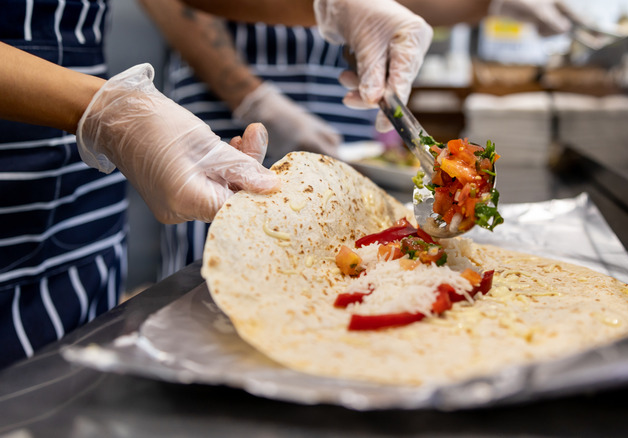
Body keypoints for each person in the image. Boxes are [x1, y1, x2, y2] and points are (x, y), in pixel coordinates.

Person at [0, 0, 434, 368]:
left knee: (70, 389)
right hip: (65, 132)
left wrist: (329, 5)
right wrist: (103, 111)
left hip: (82, 193)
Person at [142, 0, 572, 277]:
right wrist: (251, 95)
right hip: (224, 97)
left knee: (338, 258)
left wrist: (487, 2)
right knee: (218, 254)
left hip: (340, 99)